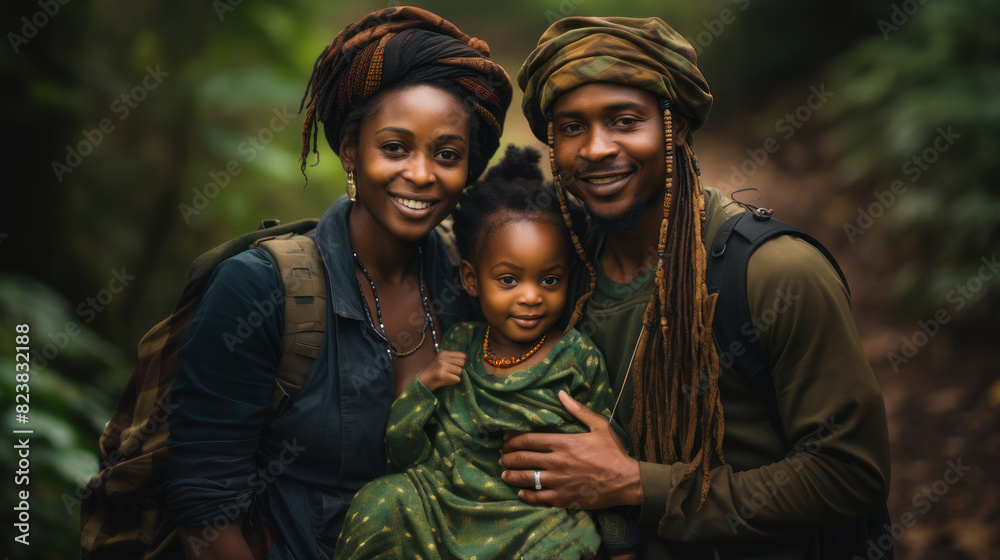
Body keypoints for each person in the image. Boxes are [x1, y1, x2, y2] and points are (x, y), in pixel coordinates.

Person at [499, 16, 891, 559]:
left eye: (624, 120)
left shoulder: (775, 273)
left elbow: (851, 474)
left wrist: (637, 484)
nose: (595, 148)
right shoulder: (556, 273)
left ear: (676, 126)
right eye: (570, 127)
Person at [164, 7, 511, 559]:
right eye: (395, 148)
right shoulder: (260, 290)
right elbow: (204, 505)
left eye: (447, 155)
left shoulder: (474, 286)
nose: (421, 174)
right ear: (351, 152)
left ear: (468, 169)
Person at [333, 145, 638, 559]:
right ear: (471, 280)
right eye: (509, 279)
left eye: (549, 280)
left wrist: (621, 547)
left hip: (534, 519)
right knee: (383, 499)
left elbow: (608, 456)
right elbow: (405, 455)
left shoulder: (577, 357)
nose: (531, 297)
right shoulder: (461, 344)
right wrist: (422, 387)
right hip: (445, 508)